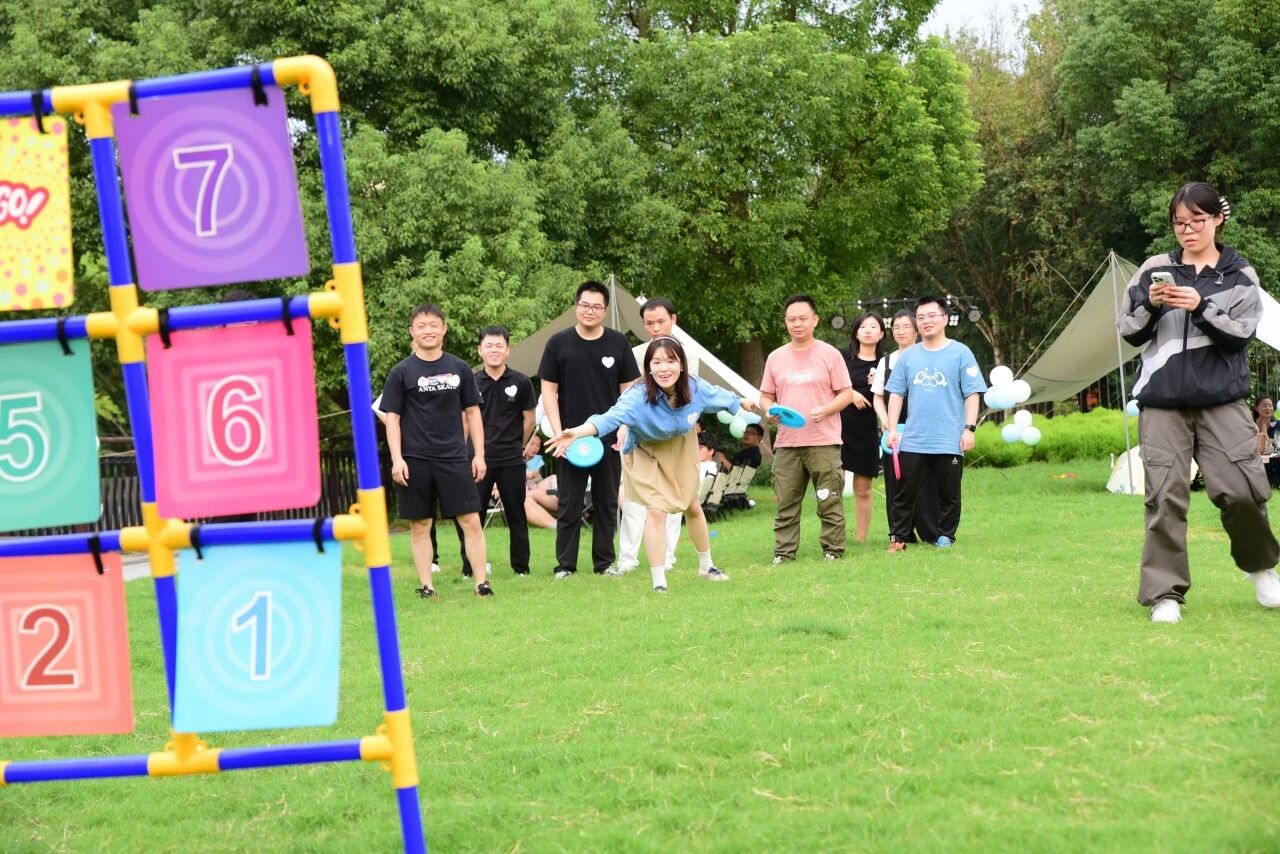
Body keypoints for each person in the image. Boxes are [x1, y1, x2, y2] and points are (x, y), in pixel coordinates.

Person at [1117, 182, 1280, 622]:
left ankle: (1260, 567)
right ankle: (1164, 595)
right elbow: (1128, 330)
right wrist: (1153, 305)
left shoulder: (1240, 274)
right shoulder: (1155, 268)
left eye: (1196, 221)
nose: (1187, 230)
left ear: (1218, 219)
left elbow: (1241, 336)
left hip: (1222, 400)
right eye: (1179, 223)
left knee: (1243, 491)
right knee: (1165, 497)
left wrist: (1200, 306)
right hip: (1162, 402)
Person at [550, 337, 751, 591]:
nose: (663, 368)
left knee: (692, 505)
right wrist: (577, 433)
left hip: (681, 447)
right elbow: (608, 419)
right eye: (656, 362)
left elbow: (721, 397)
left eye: (670, 361)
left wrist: (742, 402)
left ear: (681, 365)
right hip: (646, 451)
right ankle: (659, 583)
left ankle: (706, 567)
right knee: (656, 510)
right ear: (648, 368)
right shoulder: (637, 396)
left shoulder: (694, 387)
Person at [381, 303, 493, 599]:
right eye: (421, 326)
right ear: (412, 332)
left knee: (471, 521)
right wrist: (397, 459)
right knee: (420, 524)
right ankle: (427, 586)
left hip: (454, 457)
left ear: (444, 329)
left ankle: (481, 584)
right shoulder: (401, 372)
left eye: (434, 325)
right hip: (415, 460)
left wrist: (479, 454)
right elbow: (392, 418)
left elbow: (473, 413)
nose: (428, 331)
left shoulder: (459, 368)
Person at [538, 281, 641, 578]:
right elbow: (548, 391)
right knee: (569, 503)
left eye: (596, 307)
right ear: (576, 307)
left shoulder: (618, 343)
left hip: (608, 438)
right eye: (585, 305)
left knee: (606, 502)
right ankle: (565, 566)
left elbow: (629, 391)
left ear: (605, 310)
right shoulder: (558, 343)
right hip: (569, 438)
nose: (590, 311)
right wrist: (559, 434)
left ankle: (604, 563)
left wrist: (623, 427)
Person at [884, 295, 986, 553]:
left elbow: (972, 393)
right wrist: (892, 429)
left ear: (945, 318)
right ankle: (898, 538)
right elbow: (896, 393)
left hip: (949, 438)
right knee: (904, 492)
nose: (926, 321)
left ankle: (945, 536)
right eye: (920, 317)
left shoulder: (961, 353)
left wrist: (969, 428)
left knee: (949, 492)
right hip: (914, 438)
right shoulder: (908, 357)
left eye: (931, 316)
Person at [759, 294, 854, 563]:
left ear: (815, 320)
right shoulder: (776, 357)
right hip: (787, 443)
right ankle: (784, 553)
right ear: (786, 322)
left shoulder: (830, 354)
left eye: (803, 318)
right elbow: (765, 396)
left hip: (823, 441)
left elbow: (846, 394)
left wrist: (826, 409)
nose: (797, 324)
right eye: (792, 319)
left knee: (828, 499)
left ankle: (833, 551)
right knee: (786, 502)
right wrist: (769, 410)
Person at [455, 326, 537, 576]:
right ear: (479, 350)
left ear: (507, 350)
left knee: (516, 514)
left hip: (511, 458)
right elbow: (465, 420)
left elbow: (529, 421)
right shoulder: (470, 381)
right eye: (488, 345)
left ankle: (521, 568)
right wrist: (464, 453)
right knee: (473, 515)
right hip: (477, 460)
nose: (494, 350)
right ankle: (470, 568)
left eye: (499, 346)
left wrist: (517, 445)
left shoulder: (521, 382)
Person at [615, 298, 689, 575]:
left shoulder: (687, 354)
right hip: (640, 436)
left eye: (661, 321)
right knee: (634, 500)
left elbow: (692, 394)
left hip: (675, 436)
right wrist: (624, 426)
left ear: (673, 319)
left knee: (673, 500)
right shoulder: (636, 354)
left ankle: (667, 557)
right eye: (649, 323)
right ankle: (627, 559)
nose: (656, 328)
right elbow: (628, 395)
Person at [871, 309, 939, 545]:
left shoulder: (929, 357)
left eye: (906, 327)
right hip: (895, 430)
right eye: (896, 327)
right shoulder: (886, 362)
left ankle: (931, 532)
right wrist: (886, 420)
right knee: (895, 480)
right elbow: (878, 397)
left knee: (926, 481)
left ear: (916, 331)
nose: (901, 331)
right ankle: (900, 533)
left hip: (923, 429)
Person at [840, 312, 885, 543]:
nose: (868, 330)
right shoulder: (842, 359)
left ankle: (861, 538)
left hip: (866, 430)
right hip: (838, 428)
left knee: (863, 488)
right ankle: (834, 534)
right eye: (863, 326)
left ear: (881, 334)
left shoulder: (886, 363)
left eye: (873, 326)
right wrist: (851, 394)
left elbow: (893, 396)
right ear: (856, 333)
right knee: (833, 486)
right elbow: (827, 385)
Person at [1252, 396, 1280, 487]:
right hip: (1253, 461)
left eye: (1270, 405)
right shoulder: (1250, 425)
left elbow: (1275, 447)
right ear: (1256, 408)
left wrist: (1264, 431)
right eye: (1264, 406)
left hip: (1274, 462)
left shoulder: (1278, 425)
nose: (1268, 408)